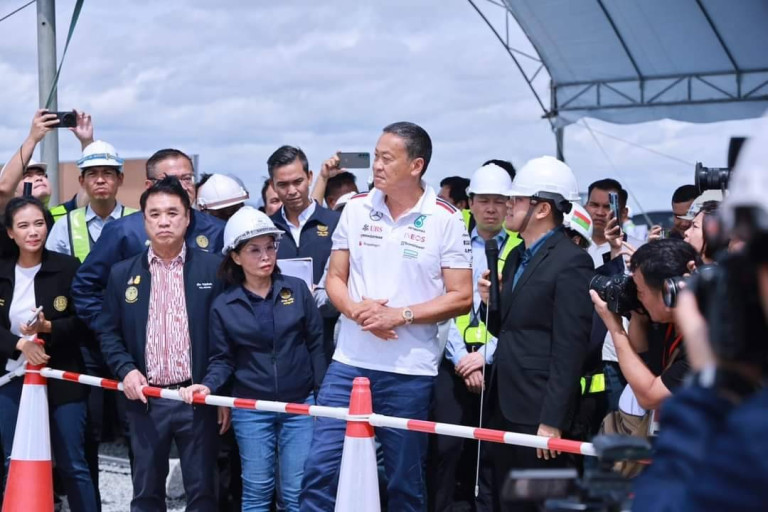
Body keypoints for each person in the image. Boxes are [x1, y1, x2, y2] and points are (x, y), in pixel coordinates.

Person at [301, 122, 473, 511]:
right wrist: (356, 311)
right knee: (320, 470)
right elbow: (335, 279)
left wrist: (400, 315)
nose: (376, 165)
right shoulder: (356, 208)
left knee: (404, 482)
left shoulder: (446, 218)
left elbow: (462, 297)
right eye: (375, 156)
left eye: (387, 158)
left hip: (409, 371)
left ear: (416, 165)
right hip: (348, 363)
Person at [180, 207, 326, 511]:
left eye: (270, 247)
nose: (266, 256)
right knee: (257, 491)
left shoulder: (297, 290)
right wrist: (209, 386)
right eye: (254, 250)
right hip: (251, 409)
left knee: (296, 491)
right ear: (235, 257)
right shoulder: (224, 305)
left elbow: (316, 345)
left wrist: (320, 398)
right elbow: (222, 359)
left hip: (300, 405)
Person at [94, 177, 225, 510]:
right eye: (154, 214)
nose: (164, 221)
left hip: (197, 398)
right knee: (146, 493)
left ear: (188, 218)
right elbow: (108, 332)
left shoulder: (214, 269)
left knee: (203, 493)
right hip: (146, 400)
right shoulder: (122, 273)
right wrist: (126, 370)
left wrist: (217, 388)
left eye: (172, 213)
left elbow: (226, 339)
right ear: (144, 220)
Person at [477, 156, 593, 512]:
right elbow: (507, 328)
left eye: (515, 199)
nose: (507, 206)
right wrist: (490, 303)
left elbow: (570, 347)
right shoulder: (516, 255)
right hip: (505, 402)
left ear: (542, 208)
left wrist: (552, 421)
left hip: (539, 410)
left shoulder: (572, 261)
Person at [428, 163, 521, 512]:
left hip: (498, 363)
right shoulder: (451, 238)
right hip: (451, 359)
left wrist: (485, 355)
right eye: (484, 200)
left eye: (499, 201)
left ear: (510, 204)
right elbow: (441, 301)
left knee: (491, 454)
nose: (491, 209)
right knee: (445, 450)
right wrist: (462, 359)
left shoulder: (520, 247)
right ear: (470, 202)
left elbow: (520, 315)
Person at [0, 197, 97, 510]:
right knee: (12, 458)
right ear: (10, 232)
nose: (33, 232)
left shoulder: (67, 267)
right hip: (10, 379)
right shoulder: (2, 269)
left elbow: (85, 322)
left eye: (39, 223)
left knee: (73, 462)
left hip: (62, 377)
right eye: (23, 226)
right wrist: (20, 344)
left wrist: (47, 327)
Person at [72, 148, 225, 331]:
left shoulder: (217, 230)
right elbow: (85, 287)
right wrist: (110, 331)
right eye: (171, 179)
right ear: (149, 185)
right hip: (141, 342)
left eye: (187, 178)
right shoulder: (123, 231)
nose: (182, 186)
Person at [591, 239, 696, 415]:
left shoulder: (704, 342)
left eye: (640, 291)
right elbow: (644, 366)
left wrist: (614, 326)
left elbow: (649, 397)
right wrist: (638, 317)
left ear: (668, 291)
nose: (637, 298)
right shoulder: (664, 322)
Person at [267, 146, 341, 363]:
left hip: (331, 337)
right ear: (273, 185)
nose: (291, 191)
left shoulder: (337, 223)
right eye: (283, 184)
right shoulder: (266, 230)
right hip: (282, 342)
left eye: (297, 182)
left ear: (309, 177)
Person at [46, 140, 136, 260]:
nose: (100, 180)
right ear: (82, 181)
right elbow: (51, 268)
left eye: (107, 173)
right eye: (92, 174)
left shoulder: (139, 221)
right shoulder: (64, 226)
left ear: (120, 179)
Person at [0, 109, 94, 217]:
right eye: (27, 176)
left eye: (41, 174)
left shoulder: (61, 215)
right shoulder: (7, 220)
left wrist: (87, 142)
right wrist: (32, 138)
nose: (39, 178)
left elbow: (91, 189)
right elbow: (4, 189)